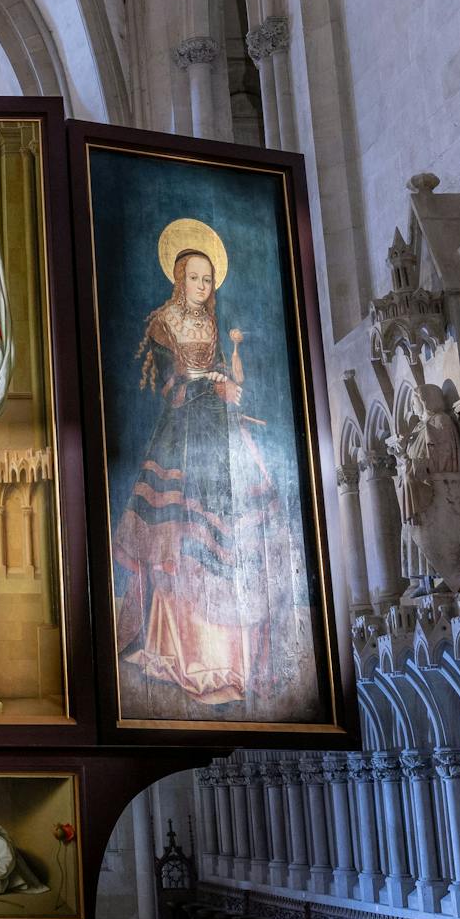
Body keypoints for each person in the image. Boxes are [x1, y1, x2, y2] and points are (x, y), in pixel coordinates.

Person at [110, 220, 295, 712]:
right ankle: (181, 652)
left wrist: (226, 387)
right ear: (178, 277)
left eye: (208, 279)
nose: (202, 286)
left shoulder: (215, 324)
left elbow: (231, 376)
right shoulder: (162, 323)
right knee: (180, 539)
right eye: (194, 277)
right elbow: (161, 388)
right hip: (184, 434)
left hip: (220, 426)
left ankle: (230, 662)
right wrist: (206, 386)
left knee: (234, 535)